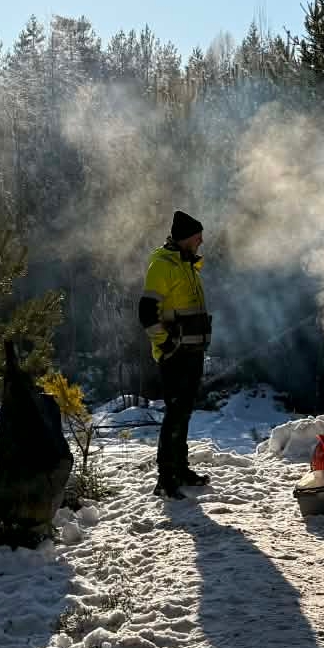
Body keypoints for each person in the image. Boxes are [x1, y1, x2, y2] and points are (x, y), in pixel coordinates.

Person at [139, 209, 212, 499]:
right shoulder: (163, 265)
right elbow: (146, 311)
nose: (201, 241)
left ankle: (180, 469)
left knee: (183, 413)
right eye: (198, 236)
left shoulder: (188, 265)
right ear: (185, 238)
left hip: (193, 352)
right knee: (175, 414)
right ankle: (165, 478)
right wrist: (165, 343)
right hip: (175, 355)